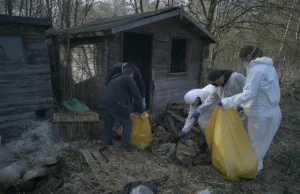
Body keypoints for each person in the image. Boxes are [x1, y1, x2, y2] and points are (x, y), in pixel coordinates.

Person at [219, 45, 282, 177]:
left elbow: (249, 93)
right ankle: (256, 168)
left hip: (261, 115)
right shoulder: (269, 67)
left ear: (248, 57)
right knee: (262, 144)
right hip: (273, 112)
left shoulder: (257, 69)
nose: (243, 62)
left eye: (243, 59)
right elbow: (262, 93)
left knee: (254, 144)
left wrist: (226, 102)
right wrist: (244, 106)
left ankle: (249, 171)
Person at [99, 66, 143, 151]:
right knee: (127, 122)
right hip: (115, 104)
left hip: (102, 104)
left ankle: (107, 142)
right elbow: (137, 95)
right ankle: (125, 146)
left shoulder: (114, 80)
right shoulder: (128, 79)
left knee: (108, 123)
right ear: (131, 74)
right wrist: (140, 110)